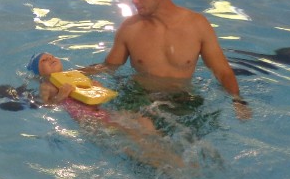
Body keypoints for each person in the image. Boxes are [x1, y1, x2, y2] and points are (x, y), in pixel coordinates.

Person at [100, 0, 250, 118]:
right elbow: (108, 67)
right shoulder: (130, 28)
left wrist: (238, 100)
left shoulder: (197, 26)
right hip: (139, 97)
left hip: (181, 100)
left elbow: (222, 71)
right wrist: (82, 76)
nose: (134, 0)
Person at [28, 52, 185, 170]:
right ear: (39, 72)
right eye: (44, 60)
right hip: (89, 119)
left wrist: (97, 89)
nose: (50, 59)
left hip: (103, 112)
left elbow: (95, 98)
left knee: (143, 120)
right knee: (131, 135)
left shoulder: (75, 76)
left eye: (51, 56)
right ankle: (166, 165)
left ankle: (168, 149)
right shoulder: (47, 86)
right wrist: (61, 96)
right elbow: (47, 106)